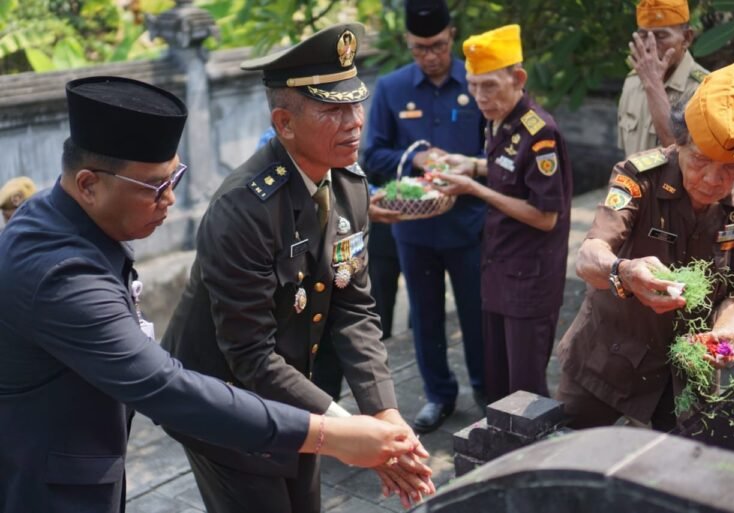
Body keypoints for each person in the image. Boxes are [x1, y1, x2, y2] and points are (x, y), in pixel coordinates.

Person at [0, 76, 417, 513]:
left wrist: (370, 418)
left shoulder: (67, 217)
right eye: (156, 187)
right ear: (88, 184)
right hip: (43, 483)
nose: (171, 201)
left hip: (87, 455)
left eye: (174, 178)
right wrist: (333, 436)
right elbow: (164, 385)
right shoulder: (60, 273)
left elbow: (352, 305)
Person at [161, 23, 434, 513]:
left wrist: (385, 415)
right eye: (334, 110)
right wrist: (348, 430)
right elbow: (248, 355)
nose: (355, 122)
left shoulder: (348, 184)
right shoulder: (243, 209)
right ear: (284, 123)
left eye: (356, 104)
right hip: (225, 403)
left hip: (295, 394)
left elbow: (354, 307)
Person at [556, 64, 734, 430]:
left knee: (674, 471)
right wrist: (625, 272)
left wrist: (727, 331)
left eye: (731, 168)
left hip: (688, 373)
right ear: (679, 140)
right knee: (573, 456)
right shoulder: (639, 178)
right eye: (700, 159)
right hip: (608, 359)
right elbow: (589, 257)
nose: (712, 180)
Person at [363, 0, 487, 433]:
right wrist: (418, 158)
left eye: (435, 45)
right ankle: (439, 395)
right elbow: (372, 154)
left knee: (477, 314)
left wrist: (466, 165)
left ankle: (486, 393)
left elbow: (496, 152)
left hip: (470, 225)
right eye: (419, 49)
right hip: (413, 229)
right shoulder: (392, 88)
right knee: (425, 317)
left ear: (451, 35)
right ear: (408, 44)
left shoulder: (477, 82)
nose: (429, 56)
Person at [435, 24, 573, 403]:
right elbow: (508, 171)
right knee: (497, 380)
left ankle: (532, 458)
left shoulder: (540, 132)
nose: (479, 96)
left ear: (518, 79)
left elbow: (546, 216)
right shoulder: (500, 118)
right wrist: (471, 165)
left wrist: (475, 189)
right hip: (498, 269)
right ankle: (502, 452)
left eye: (490, 85)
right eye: (473, 85)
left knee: (525, 391)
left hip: (530, 278)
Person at [617, 0, 708, 157]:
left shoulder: (705, 89)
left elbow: (684, 157)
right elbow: (625, 154)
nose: (648, 46)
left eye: (660, 36)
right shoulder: (632, 82)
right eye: (643, 36)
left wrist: (653, 85)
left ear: (686, 38)